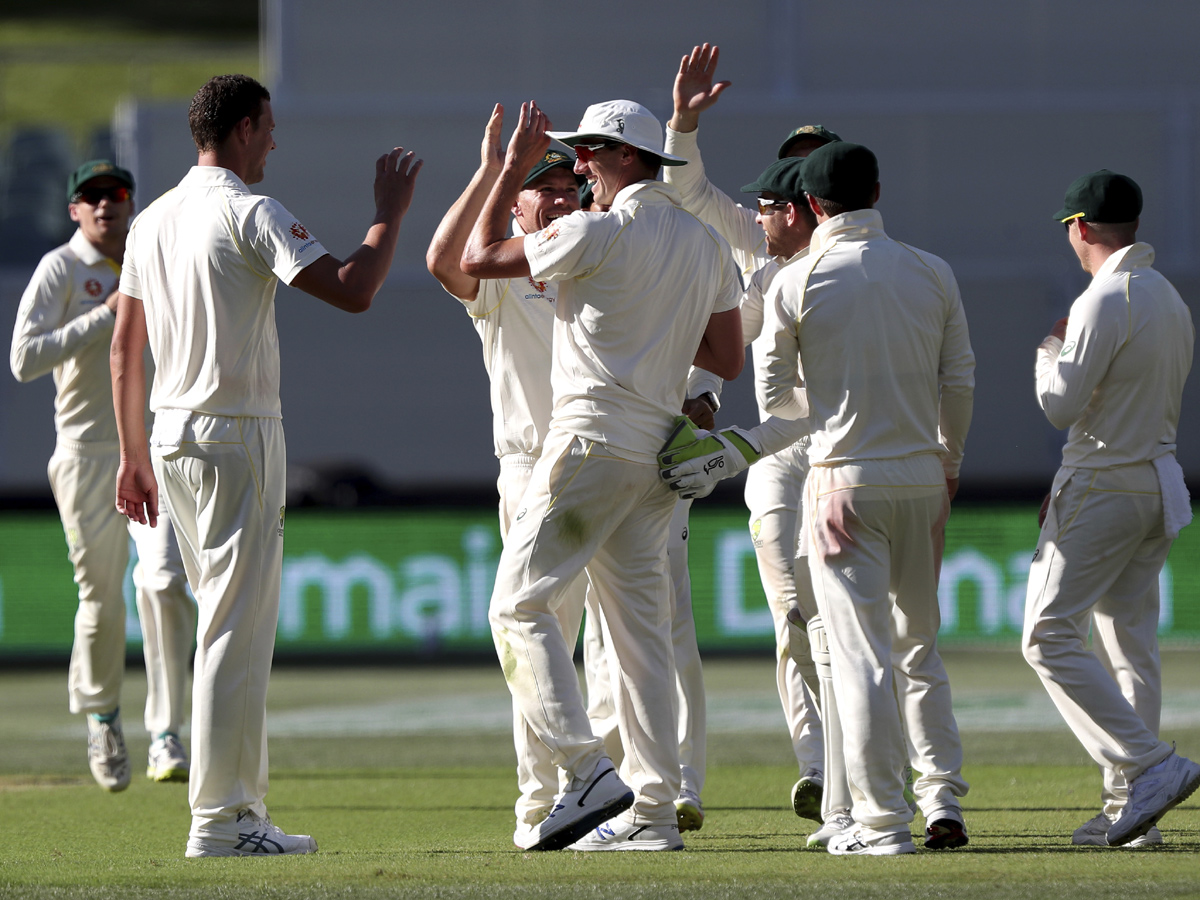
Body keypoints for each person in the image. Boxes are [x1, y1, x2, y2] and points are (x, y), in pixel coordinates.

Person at [110, 74, 422, 857]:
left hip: (172, 434)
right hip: (236, 433)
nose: (276, 141)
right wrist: (388, 214)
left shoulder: (151, 221)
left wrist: (132, 455)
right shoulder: (249, 212)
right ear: (244, 128)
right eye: (270, 127)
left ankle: (240, 813)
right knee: (233, 630)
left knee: (225, 622)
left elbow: (125, 349)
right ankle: (221, 820)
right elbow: (354, 291)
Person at [662, 141, 975, 855]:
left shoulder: (793, 284)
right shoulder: (933, 271)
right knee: (918, 649)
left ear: (808, 206)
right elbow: (959, 382)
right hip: (924, 481)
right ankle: (941, 800)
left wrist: (733, 449)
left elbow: (782, 405)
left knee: (855, 654)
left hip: (842, 484)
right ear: (877, 189)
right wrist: (948, 465)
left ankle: (879, 823)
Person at [461, 98, 744, 851]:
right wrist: (656, 322)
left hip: (589, 443)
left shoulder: (594, 229)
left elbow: (478, 257)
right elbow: (725, 358)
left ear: (622, 155)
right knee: (640, 638)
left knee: (516, 609)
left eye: (587, 152)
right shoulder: (704, 242)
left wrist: (503, 170)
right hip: (656, 454)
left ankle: (584, 769)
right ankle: (652, 813)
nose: (578, 166)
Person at [663, 42, 843, 842]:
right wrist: (682, 124)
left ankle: (872, 766)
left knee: (860, 623)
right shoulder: (754, 237)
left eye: (815, 171)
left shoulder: (862, 258)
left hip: (848, 453)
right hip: (774, 458)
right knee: (795, 620)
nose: (797, 186)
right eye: (790, 172)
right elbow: (687, 188)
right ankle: (817, 764)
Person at [426, 108, 596, 849]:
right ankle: (544, 800)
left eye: (568, 186)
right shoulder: (504, 270)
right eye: (544, 189)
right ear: (517, 204)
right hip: (531, 469)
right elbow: (443, 261)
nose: (560, 199)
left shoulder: (597, 252)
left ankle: (600, 797)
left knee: (574, 642)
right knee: (536, 636)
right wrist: (494, 168)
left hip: (601, 461)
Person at [1023, 169, 1198, 848]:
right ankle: (1134, 813)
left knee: (1046, 635)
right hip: (1157, 483)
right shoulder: (1169, 297)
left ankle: (1150, 766)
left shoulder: (1102, 299)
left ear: (1082, 228)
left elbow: (1059, 404)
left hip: (1104, 484)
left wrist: (1048, 351)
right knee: (1130, 647)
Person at [10, 159, 195, 792]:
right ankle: (104, 716)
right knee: (100, 599)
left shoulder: (153, 255)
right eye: (91, 197)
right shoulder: (61, 269)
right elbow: (24, 359)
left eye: (116, 194)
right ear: (74, 210)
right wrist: (105, 314)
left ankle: (168, 731)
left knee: (166, 579)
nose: (105, 205)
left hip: (156, 447)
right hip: (87, 453)